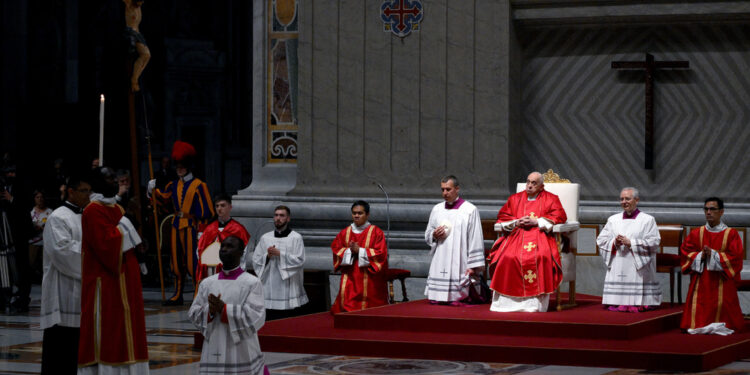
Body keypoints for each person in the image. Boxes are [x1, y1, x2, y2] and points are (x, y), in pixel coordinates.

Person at [78, 167, 149, 374]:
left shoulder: (116, 209)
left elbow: (129, 239)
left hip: (126, 280)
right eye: (109, 178)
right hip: (106, 281)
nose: (114, 181)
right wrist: (129, 222)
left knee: (130, 328)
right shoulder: (92, 210)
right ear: (97, 183)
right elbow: (106, 245)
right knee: (110, 329)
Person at [488, 171, 567, 312]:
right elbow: (503, 216)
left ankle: (534, 303)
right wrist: (516, 221)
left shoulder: (551, 198)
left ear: (541, 186)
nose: (529, 185)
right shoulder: (515, 198)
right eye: (528, 181)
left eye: (534, 183)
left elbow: (560, 215)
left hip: (540, 234)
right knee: (507, 257)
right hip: (517, 234)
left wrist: (536, 221)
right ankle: (507, 303)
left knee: (540, 256)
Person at [189, 236, 266, 375]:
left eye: (230, 246)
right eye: (223, 246)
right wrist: (209, 311)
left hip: (241, 347)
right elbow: (193, 312)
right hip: (214, 343)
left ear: (241, 253)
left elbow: (257, 315)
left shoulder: (252, 283)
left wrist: (224, 309)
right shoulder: (207, 283)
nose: (224, 249)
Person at [149, 140, 215, 305]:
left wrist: (203, 230)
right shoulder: (173, 184)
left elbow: (207, 210)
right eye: (177, 166)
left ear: (189, 167)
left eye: (182, 166)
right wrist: (152, 191)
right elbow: (163, 200)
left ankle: (197, 293)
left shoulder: (199, 185)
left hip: (192, 227)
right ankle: (177, 293)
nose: (179, 169)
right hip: (176, 225)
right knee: (176, 262)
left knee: (193, 262)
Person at [40, 175, 91, 374]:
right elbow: (63, 252)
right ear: (71, 192)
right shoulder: (58, 217)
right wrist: (94, 257)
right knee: (60, 352)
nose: (88, 195)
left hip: (82, 293)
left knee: (77, 354)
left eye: (90, 191)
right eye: (84, 191)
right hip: (62, 294)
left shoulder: (88, 214)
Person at [680, 197, 744, 334]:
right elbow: (685, 252)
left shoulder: (731, 234)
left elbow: (736, 257)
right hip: (701, 278)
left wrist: (714, 255)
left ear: (721, 212)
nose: (708, 212)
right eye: (706, 209)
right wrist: (700, 256)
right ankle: (700, 323)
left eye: (712, 209)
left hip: (722, 279)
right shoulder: (696, 233)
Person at [597, 187, 661, 312]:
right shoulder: (613, 220)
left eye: (627, 198)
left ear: (636, 200)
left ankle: (640, 302)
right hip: (618, 259)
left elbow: (654, 242)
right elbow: (601, 240)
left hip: (637, 262)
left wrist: (631, 243)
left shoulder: (648, 220)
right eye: (621, 199)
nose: (624, 202)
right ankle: (616, 301)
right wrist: (614, 242)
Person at [424, 175, 485, 304]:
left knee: (458, 295)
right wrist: (434, 235)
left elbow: (476, 238)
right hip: (440, 255)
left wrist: (473, 266)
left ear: (457, 189)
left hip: (460, 258)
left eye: (448, 189)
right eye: (442, 190)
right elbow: (428, 233)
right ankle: (439, 296)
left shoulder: (469, 210)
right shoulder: (437, 209)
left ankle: (457, 296)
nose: (444, 193)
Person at [330, 200, 388, 313]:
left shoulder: (376, 232)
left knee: (371, 308)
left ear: (367, 214)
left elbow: (381, 253)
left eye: (360, 213)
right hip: (350, 273)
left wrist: (360, 251)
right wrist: (349, 251)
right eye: (354, 213)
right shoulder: (345, 232)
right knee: (348, 304)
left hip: (369, 275)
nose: (356, 216)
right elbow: (336, 249)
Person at [252, 205, 308, 320]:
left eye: (282, 215)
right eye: (276, 215)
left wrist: (280, 254)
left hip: (289, 287)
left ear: (288, 219)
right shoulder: (265, 238)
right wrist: (267, 256)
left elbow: (300, 260)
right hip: (270, 285)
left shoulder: (296, 238)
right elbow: (256, 259)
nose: (278, 218)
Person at [195, 193, 250, 284]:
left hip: (230, 271)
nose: (219, 209)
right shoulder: (209, 229)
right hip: (210, 271)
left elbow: (243, 254)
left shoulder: (238, 229)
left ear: (230, 207)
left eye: (223, 206)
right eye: (217, 206)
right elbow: (199, 250)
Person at [0, 163, 33, 313]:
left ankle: (23, 298)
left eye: (13, 172)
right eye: (8, 173)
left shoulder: (23, 187)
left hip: (20, 233)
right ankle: (7, 296)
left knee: (22, 266)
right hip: (6, 231)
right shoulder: (4, 186)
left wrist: (11, 199)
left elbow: (26, 206)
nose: (10, 175)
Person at [123, 0, 150, 92]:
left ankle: (135, 78)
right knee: (136, 53)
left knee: (147, 56)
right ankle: (134, 81)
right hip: (129, 33)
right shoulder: (129, 3)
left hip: (137, 34)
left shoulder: (139, 7)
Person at [29, 190, 53, 281]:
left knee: (45, 263)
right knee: (31, 262)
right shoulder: (31, 211)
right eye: (37, 197)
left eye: (41, 197)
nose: (40, 199)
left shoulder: (50, 211)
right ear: (34, 199)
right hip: (33, 241)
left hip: (45, 242)